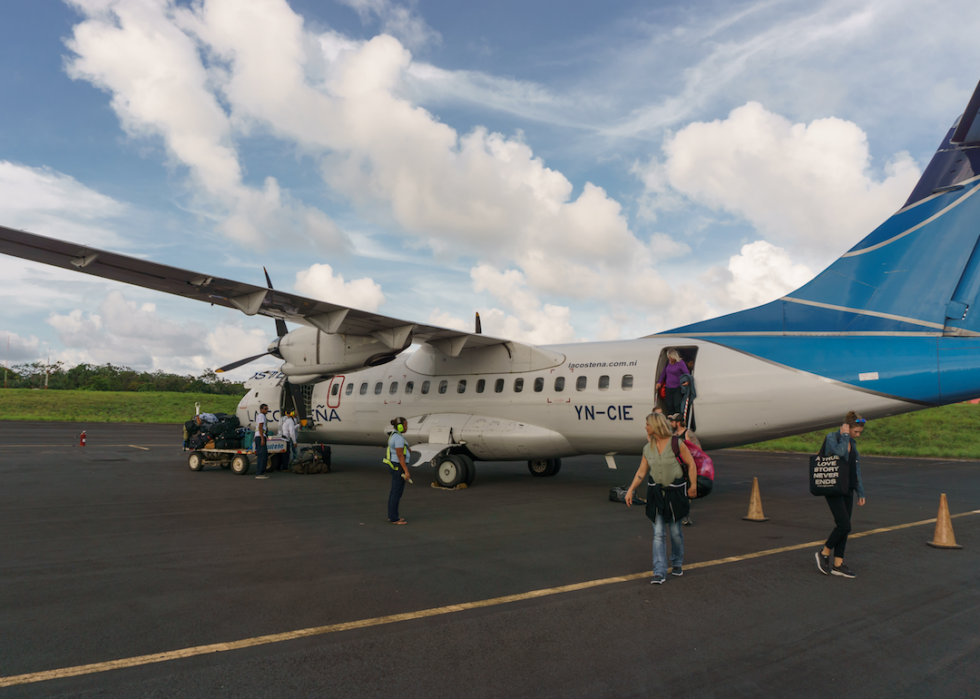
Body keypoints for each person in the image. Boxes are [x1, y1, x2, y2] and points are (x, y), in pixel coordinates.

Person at [625, 413, 698, 584]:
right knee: (658, 534)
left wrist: (693, 486)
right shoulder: (647, 448)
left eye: (647, 424)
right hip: (655, 494)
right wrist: (630, 490)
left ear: (656, 426)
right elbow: (641, 472)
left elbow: (691, 464)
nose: (645, 427)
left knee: (675, 533)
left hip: (675, 494)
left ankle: (677, 563)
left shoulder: (676, 444)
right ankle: (659, 571)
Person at [815, 411, 867, 578]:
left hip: (848, 488)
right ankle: (824, 552)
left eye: (859, 432)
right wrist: (844, 436)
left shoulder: (852, 441)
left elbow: (855, 468)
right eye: (855, 431)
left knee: (844, 527)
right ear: (847, 427)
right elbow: (840, 453)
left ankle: (838, 564)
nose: (857, 435)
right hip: (834, 487)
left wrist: (860, 491)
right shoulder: (833, 437)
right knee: (844, 525)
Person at [668, 413, 700, 526]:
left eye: (672, 421)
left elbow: (697, 450)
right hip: (674, 468)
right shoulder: (673, 434)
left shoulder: (688, 434)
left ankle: (685, 515)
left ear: (677, 422)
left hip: (684, 467)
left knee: (685, 492)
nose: (670, 423)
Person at [384, 417, 412, 524]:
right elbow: (400, 455)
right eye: (405, 425)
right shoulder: (399, 438)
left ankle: (392, 516)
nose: (406, 427)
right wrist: (406, 471)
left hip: (395, 466)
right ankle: (394, 518)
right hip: (398, 467)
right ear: (400, 426)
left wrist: (408, 449)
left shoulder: (395, 435)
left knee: (394, 492)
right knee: (396, 493)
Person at [656, 349, 687, 415]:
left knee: (677, 404)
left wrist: (687, 381)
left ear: (674, 356)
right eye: (669, 357)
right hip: (668, 387)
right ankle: (671, 420)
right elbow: (663, 373)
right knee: (669, 405)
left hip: (677, 387)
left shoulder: (680, 363)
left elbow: (686, 373)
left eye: (671, 357)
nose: (670, 359)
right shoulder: (668, 363)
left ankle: (678, 419)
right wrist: (659, 382)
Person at [254, 404, 270, 480]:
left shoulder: (262, 416)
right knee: (262, 455)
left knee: (264, 455)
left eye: (267, 409)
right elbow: (260, 427)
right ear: (261, 409)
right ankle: (259, 473)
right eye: (265, 409)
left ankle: (261, 471)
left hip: (261, 435)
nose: (267, 410)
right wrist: (262, 439)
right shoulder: (261, 416)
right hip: (260, 436)